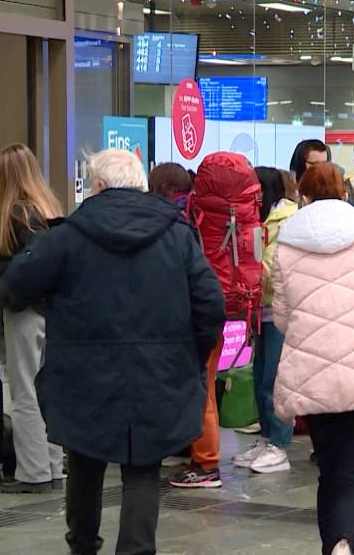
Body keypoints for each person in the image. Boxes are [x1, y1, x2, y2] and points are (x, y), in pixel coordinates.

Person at [3, 149, 225, 554]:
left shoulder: (67, 237)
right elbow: (210, 302)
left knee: (85, 462)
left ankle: (83, 545)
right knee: (143, 467)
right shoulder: (176, 234)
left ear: (99, 186)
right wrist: (189, 354)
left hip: (83, 373)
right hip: (160, 371)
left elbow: (17, 283)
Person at [271, 162, 354, 555]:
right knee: (352, 476)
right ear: (345, 193)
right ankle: (344, 544)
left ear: (303, 195)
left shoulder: (285, 243)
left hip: (310, 373)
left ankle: (334, 543)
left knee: (330, 473)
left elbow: (281, 316)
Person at [0, 143, 65, 494]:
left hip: (24, 312)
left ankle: (33, 473)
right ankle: (53, 468)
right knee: (46, 393)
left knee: (24, 393)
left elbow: (19, 268)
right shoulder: (47, 209)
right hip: (50, 311)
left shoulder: (15, 213)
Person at [148, 163, 223, 489]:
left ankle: (207, 464)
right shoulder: (195, 216)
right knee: (201, 390)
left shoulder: (174, 222)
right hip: (208, 318)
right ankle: (195, 453)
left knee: (202, 394)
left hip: (193, 321)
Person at [233, 167, 298, 474]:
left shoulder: (287, 221)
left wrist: (249, 264)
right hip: (259, 311)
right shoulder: (255, 220)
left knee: (275, 379)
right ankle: (267, 437)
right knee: (259, 378)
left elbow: (273, 271)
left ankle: (280, 444)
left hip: (281, 312)